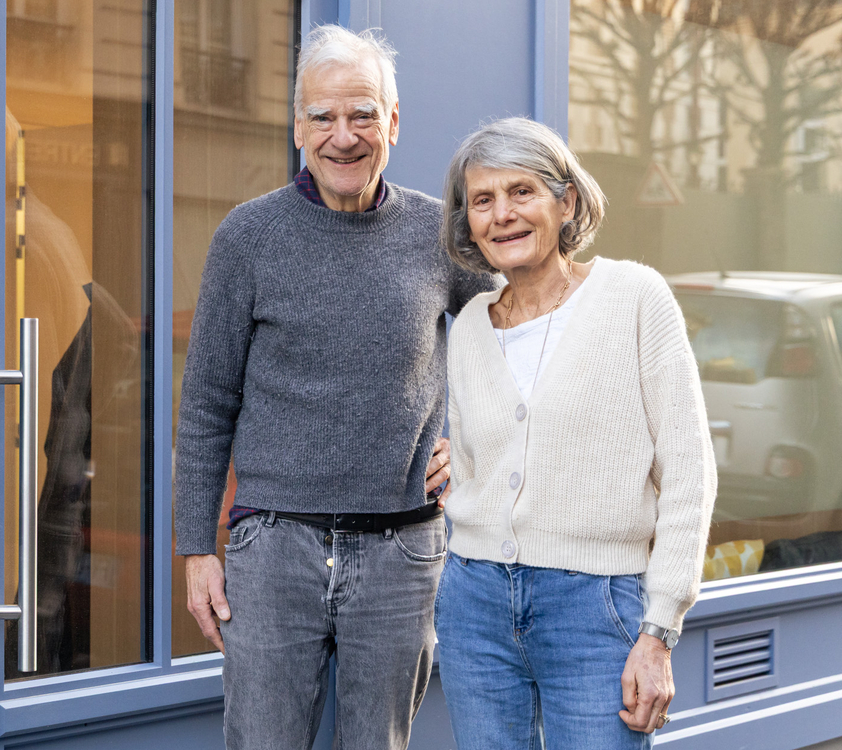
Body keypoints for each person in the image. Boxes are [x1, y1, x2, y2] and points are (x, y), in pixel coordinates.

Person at [174, 25, 495, 749]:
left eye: (363, 114)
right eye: (323, 116)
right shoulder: (247, 237)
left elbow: (512, 343)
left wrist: (471, 445)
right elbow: (205, 406)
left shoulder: (440, 235)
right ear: (297, 127)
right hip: (273, 551)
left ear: (394, 121)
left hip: (402, 552)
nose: (342, 136)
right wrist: (197, 548)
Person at [436, 117, 716, 748]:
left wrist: (661, 626)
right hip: (473, 602)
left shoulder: (634, 296)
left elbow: (689, 469)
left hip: (596, 608)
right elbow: (482, 456)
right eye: (483, 200)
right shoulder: (472, 325)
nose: (502, 214)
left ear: (565, 202)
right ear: (469, 222)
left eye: (522, 191)